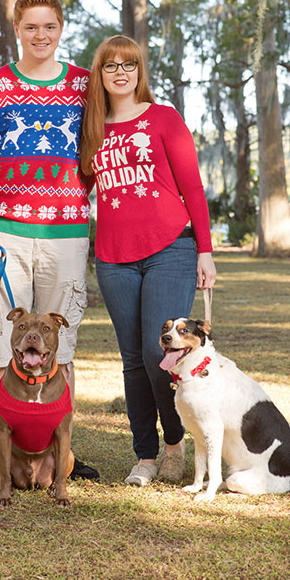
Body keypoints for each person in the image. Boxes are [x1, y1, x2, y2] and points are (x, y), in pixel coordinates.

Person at [0, 0, 98, 482]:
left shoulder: (85, 86)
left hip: (65, 235)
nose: (41, 36)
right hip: (6, 236)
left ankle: (62, 458)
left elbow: (104, 148)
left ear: (62, 30)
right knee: (5, 344)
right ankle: (5, 456)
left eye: (50, 27)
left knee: (62, 347)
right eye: (31, 27)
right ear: (16, 30)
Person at [80, 34, 217, 486]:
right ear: (99, 74)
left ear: (140, 72)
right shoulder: (91, 127)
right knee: (131, 359)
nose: (120, 73)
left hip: (170, 248)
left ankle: (175, 443)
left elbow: (192, 187)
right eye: (110, 66)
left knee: (161, 350)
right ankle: (144, 454)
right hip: (114, 257)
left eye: (129, 65)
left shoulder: (163, 118)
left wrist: (205, 250)